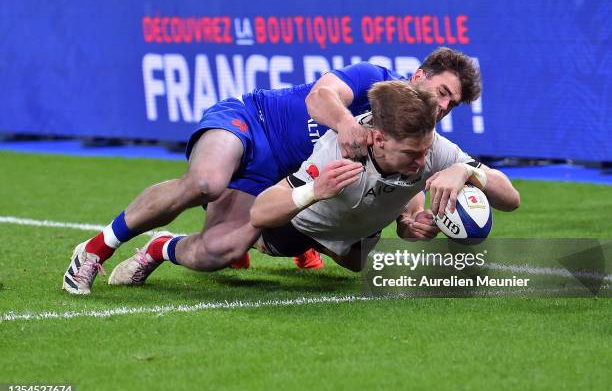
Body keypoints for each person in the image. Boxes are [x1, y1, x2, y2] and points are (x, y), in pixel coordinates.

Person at [63, 47, 482, 294]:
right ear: (418, 76)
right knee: (206, 182)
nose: (444, 106)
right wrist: (347, 124)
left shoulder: (420, 135)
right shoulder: (376, 80)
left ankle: (160, 248)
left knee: (220, 252)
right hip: (256, 121)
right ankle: (96, 249)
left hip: (282, 178)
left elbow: (403, 181)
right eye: (442, 91)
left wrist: (410, 221)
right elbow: (320, 96)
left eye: (453, 103)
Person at [249, 82, 520, 271]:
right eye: (412, 153)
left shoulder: (435, 148)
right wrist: (314, 191)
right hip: (303, 226)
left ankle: (330, 247)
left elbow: (511, 199)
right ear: (379, 139)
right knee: (224, 250)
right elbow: (259, 213)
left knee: (357, 265)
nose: (423, 161)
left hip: (357, 225)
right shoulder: (337, 153)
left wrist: (466, 170)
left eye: (426, 151)